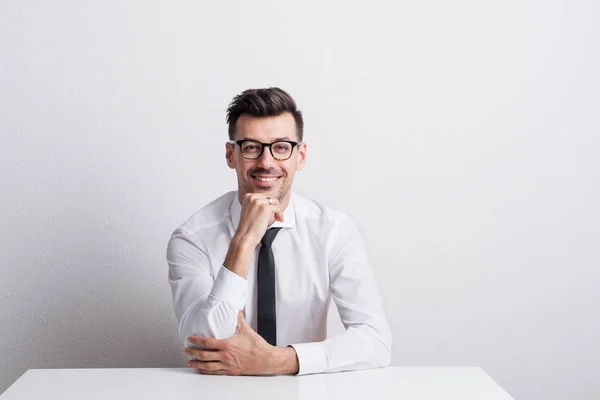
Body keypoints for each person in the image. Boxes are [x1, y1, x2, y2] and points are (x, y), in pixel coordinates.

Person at [166, 87, 392, 376]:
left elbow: (376, 341)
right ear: (230, 155)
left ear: (301, 156)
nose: (266, 162)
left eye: (281, 147)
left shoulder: (334, 231)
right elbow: (206, 344)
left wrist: (281, 360)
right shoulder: (192, 238)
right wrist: (244, 241)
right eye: (251, 147)